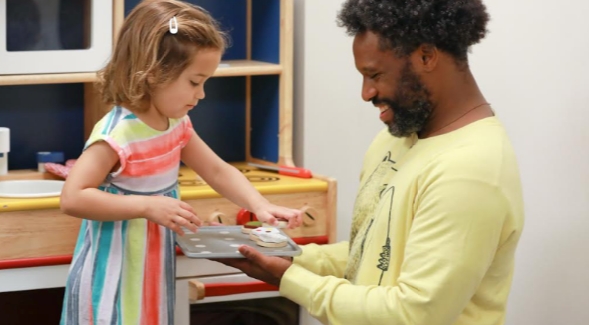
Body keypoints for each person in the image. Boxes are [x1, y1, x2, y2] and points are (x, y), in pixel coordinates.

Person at [214, 1, 525, 324]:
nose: (366, 93)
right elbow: (373, 257)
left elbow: (412, 314)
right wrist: (286, 254)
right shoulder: (396, 138)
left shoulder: (471, 171)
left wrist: (289, 278)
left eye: (374, 75)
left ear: (426, 56)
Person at [58, 1, 302, 324]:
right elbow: (73, 197)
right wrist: (146, 206)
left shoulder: (177, 124)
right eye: (194, 82)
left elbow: (216, 169)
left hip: (151, 267)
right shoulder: (117, 133)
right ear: (154, 72)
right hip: (113, 271)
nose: (201, 94)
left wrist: (260, 205)